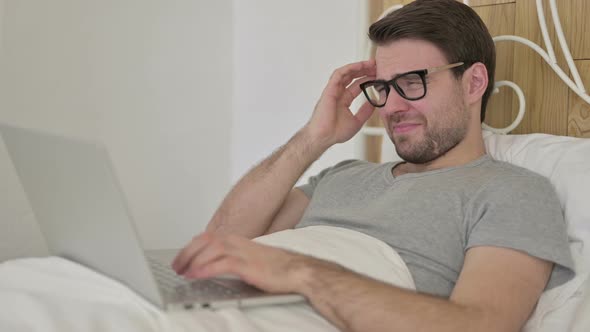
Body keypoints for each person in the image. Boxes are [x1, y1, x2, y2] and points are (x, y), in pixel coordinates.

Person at [172, 0, 574, 331]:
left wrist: (303, 273)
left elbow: (480, 325)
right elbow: (223, 239)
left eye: (413, 81)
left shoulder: (512, 191)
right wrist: (315, 137)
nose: (393, 106)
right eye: (383, 86)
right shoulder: (343, 175)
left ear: (473, 83)